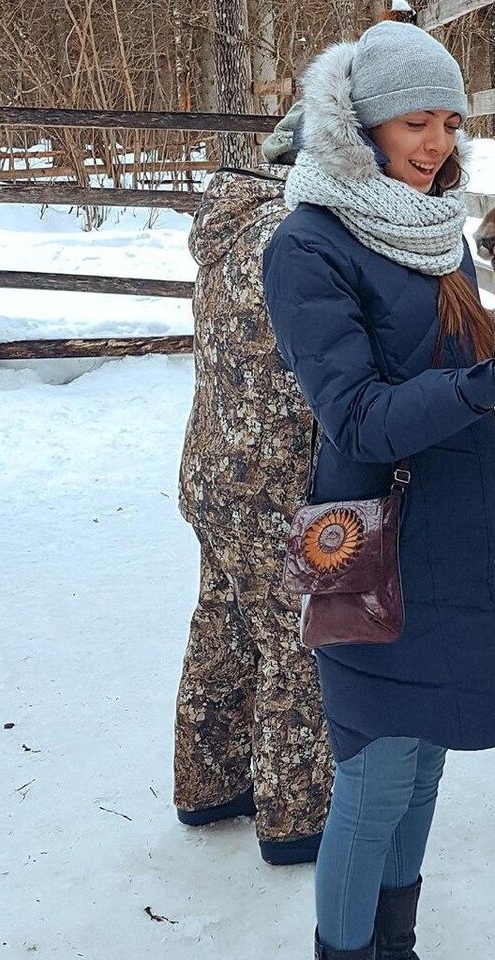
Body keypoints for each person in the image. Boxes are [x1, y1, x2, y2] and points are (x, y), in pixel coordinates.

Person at [263, 20, 495, 960]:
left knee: (422, 770)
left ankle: (395, 946)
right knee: (373, 782)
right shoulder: (307, 245)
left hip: (455, 532)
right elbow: (358, 417)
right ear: (362, 123)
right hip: (373, 544)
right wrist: (486, 383)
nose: (436, 143)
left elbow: (436, 353)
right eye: (416, 122)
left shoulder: (428, 227)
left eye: (450, 123)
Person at [173, 158, 333, 865]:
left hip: (215, 470)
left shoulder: (230, 223)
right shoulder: (295, 236)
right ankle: (299, 820)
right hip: (272, 486)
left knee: (224, 625)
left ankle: (209, 786)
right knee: (298, 642)